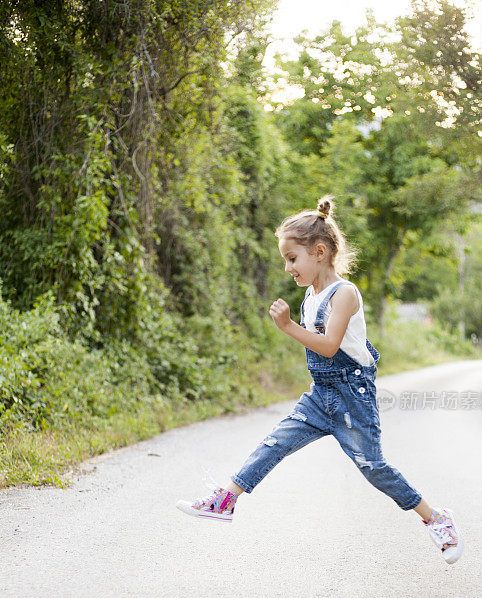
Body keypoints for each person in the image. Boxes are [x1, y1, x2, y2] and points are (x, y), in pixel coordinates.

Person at [177, 197, 463, 564]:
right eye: (285, 260)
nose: (287, 268)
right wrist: (294, 325)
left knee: (374, 468)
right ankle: (225, 500)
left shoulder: (344, 294)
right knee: (275, 442)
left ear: (320, 252)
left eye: (292, 258)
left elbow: (328, 347)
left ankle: (437, 519)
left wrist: (287, 328)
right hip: (320, 396)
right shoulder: (309, 297)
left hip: (352, 396)